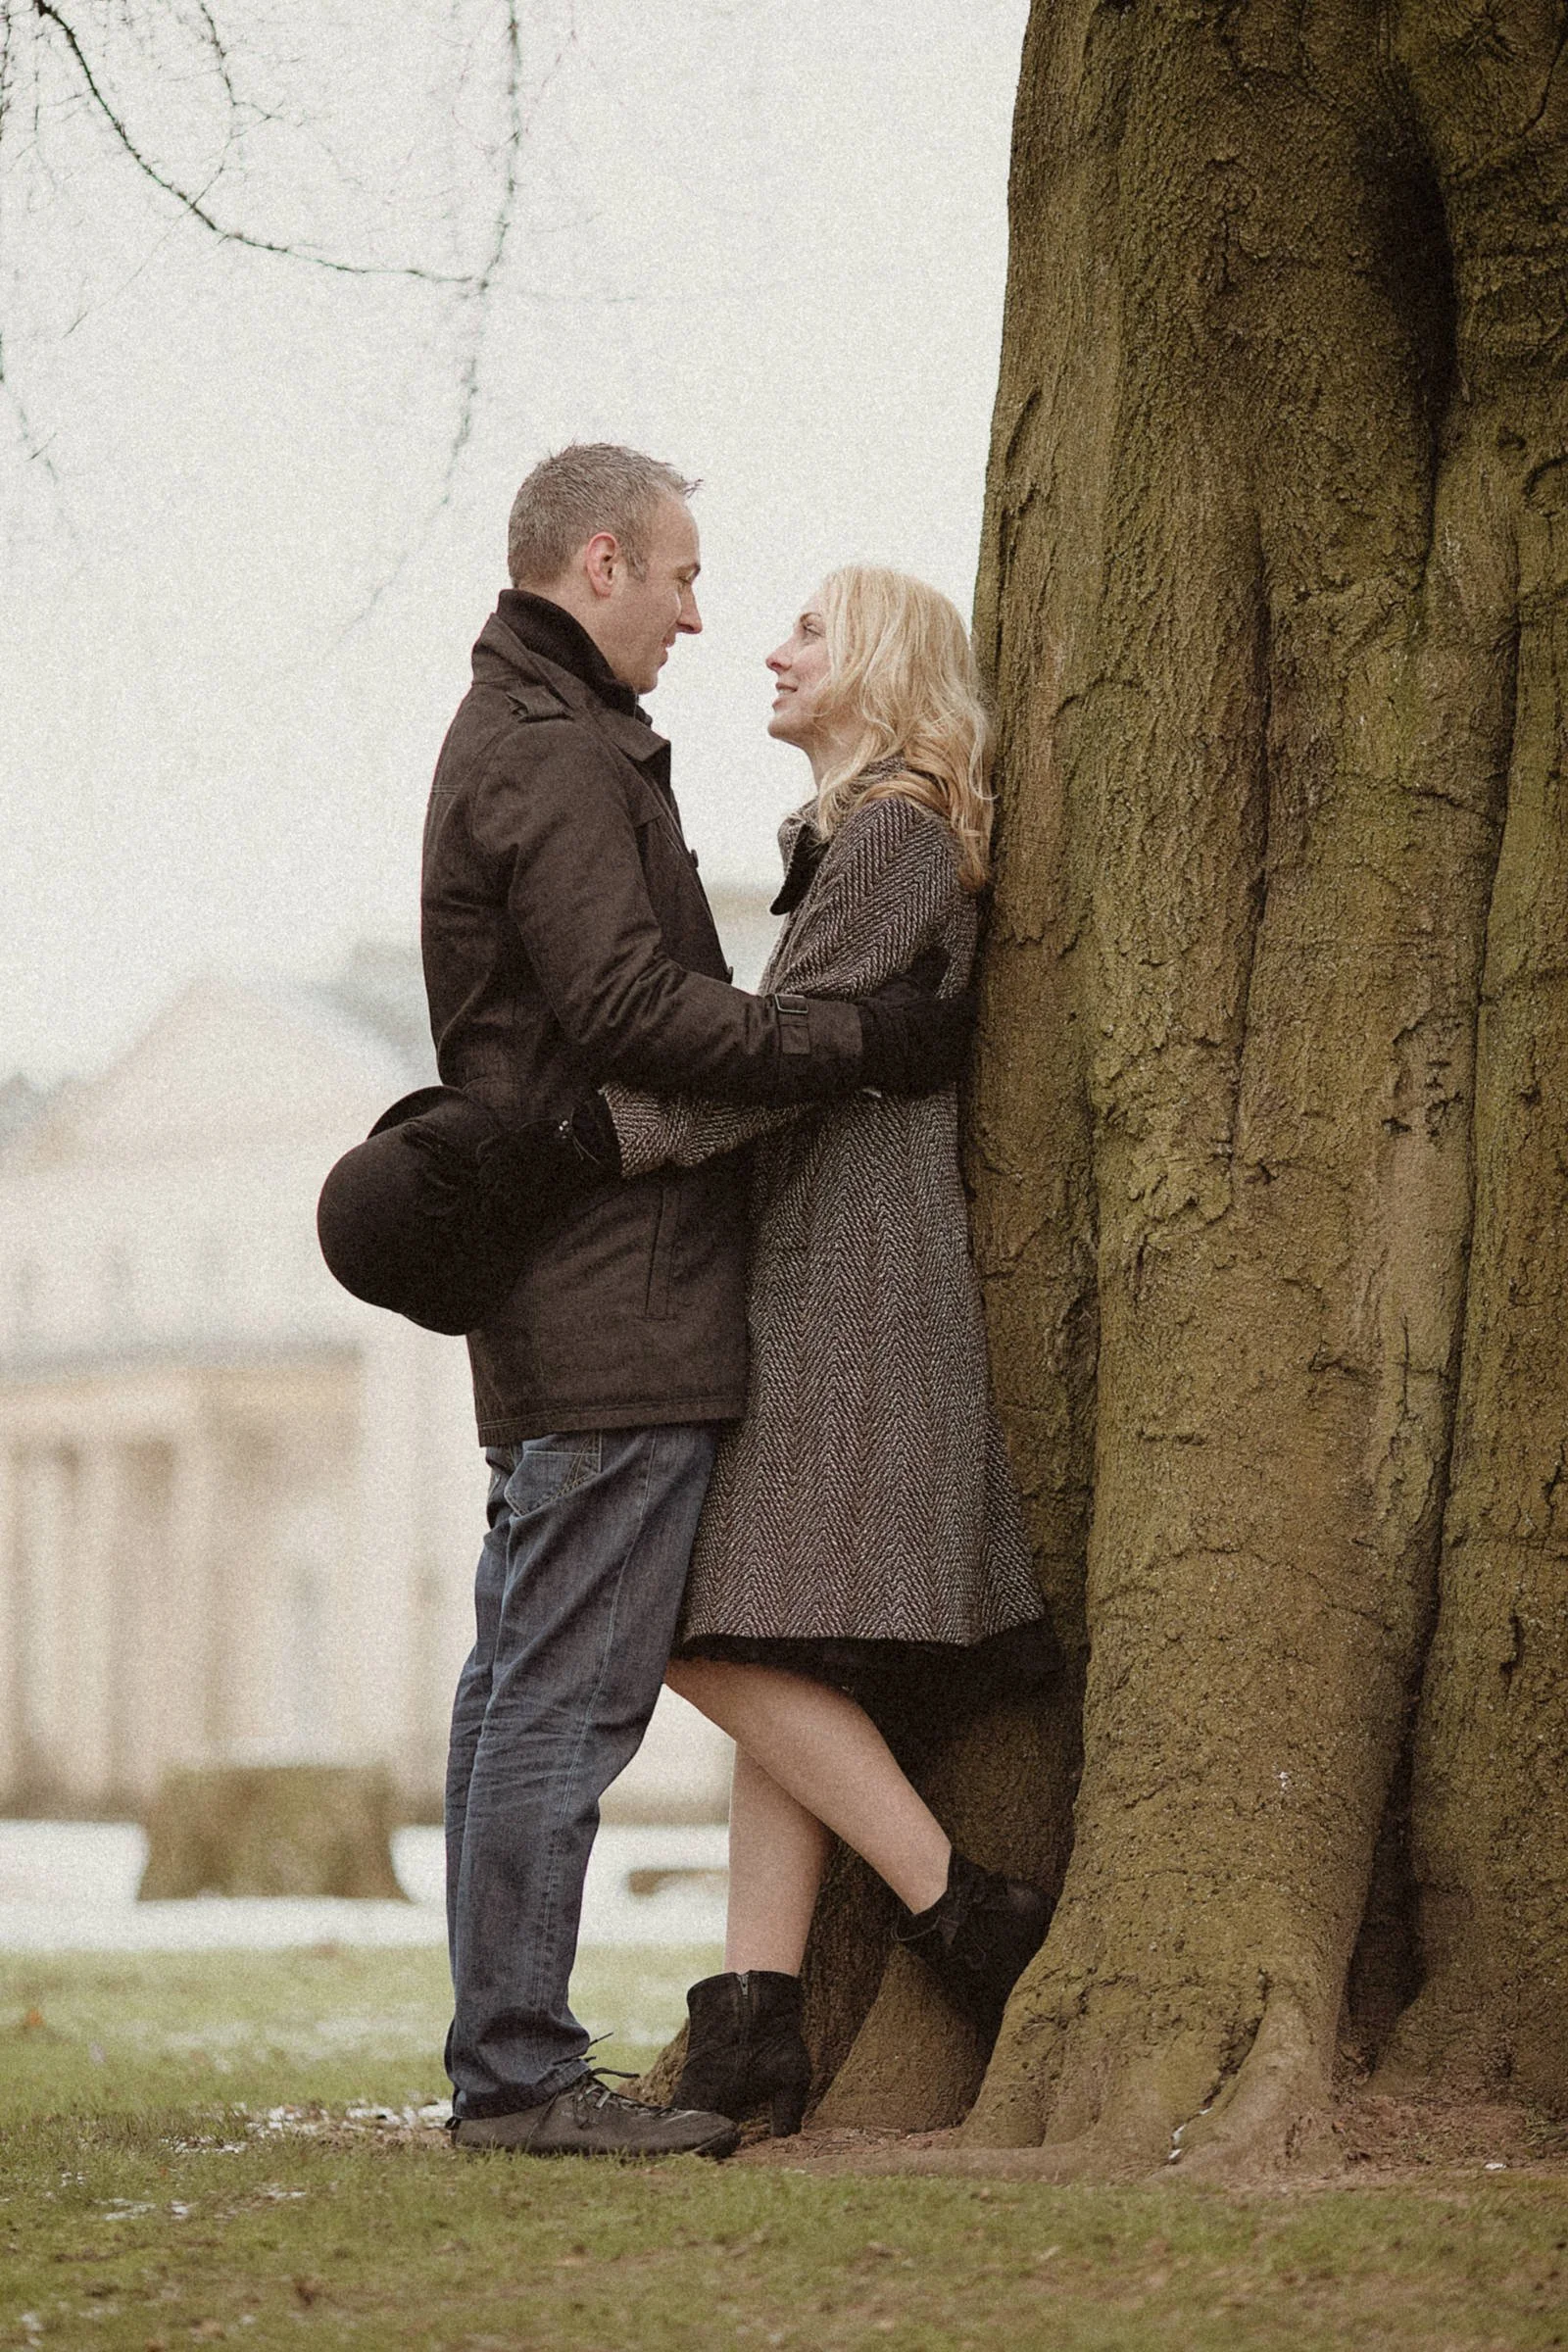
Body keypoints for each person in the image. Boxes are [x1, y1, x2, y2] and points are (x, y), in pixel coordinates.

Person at [420, 448, 975, 2158]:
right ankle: (529, 2076)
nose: (708, 616)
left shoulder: (554, 745)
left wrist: (604, 1126)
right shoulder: (562, 753)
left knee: (561, 1677)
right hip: (622, 1293)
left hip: (669, 1293)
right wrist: (848, 1046)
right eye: (682, 578)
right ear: (601, 564)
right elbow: (636, 1013)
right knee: (586, 1683)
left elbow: (644, 1030)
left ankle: (637, 2040)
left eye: (785, 615)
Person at [599, 565, 1054, 2137]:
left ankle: (957, 1906)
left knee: (682, 1615)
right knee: (762, 1634)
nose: (770, 654)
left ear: (883, 665)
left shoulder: (895, 832)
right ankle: (755, 2027)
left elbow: (783, 1067)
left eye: (809, 629)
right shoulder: (861, 838)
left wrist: (590, 1139)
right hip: (821, 1278)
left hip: (853, 1296)